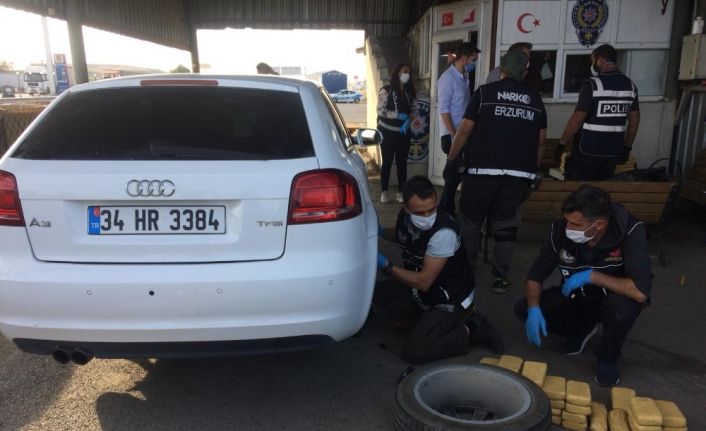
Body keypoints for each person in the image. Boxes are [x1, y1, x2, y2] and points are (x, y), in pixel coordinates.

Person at [514, 185, 652, 387]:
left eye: (576, 224)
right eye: (567, 221)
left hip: (613, 299)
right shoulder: (560, 230)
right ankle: (579, 330)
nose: (568, 228)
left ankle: (607, 357)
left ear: (599, 224)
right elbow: (536, 274)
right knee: (524, 308)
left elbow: (640, 291)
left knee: (620, 311)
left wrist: (592, 276)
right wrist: (534, 309)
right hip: (576, 296)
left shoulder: (631, 231)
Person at [447, 50, 546, 294]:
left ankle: (466, 271)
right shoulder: (535, 100)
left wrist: (451, 160)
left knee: (470, 221)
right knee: (506, 227)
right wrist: (533, 171)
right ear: (524, 72)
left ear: (500, 70)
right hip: (517, 177)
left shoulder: (484, 94)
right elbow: (540, 142)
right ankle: (500, 278)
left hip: (481, 173)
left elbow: (465, 131)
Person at [375, 176, 503, 364]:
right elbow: (401, 233)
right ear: (406, 208)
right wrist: (380, 231)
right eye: (420, 212)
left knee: (415, 352)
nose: (427, 216)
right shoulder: (406, 217)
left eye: (432, 209)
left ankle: (470, 330)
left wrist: (387, 266)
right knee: (376, 294)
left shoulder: (443, 233)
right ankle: (425, 322)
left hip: (450, 298)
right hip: (426, 291)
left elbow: (424, 282)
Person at [555, 44, 640, 180]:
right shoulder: (631, 86)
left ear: (600, 60)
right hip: (613, 152)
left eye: (593, 60)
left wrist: (562, 144)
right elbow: (634, 122)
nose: (592, 65)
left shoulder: (592, 85)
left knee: (577, 186)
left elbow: (577, 119)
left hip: (588, 150)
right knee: (601, 188)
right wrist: (627, 148)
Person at [437, 43, 480, 216]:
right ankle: (445, 211)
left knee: (455, 177)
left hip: (462, 134)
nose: (474, 63)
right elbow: (444, 110)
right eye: (473, 59)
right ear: (464, 58)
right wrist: (454, 134)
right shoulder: (448, 78)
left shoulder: (463, 76)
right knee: (452, 176)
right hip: (452, 135)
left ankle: (447, 209)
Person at [376, 63, 418, 203]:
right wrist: (397, 116)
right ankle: (384, 191)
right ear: (398, 73)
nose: (407, 74)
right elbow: (380, 110)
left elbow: (415, 110)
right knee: (387, 162)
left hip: (403, 133)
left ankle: (401, 192)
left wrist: (409, 120)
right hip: (387, 132)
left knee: (402, 163)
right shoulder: (386, 90)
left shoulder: (410, 93)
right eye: (405, 71)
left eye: (409, 72)